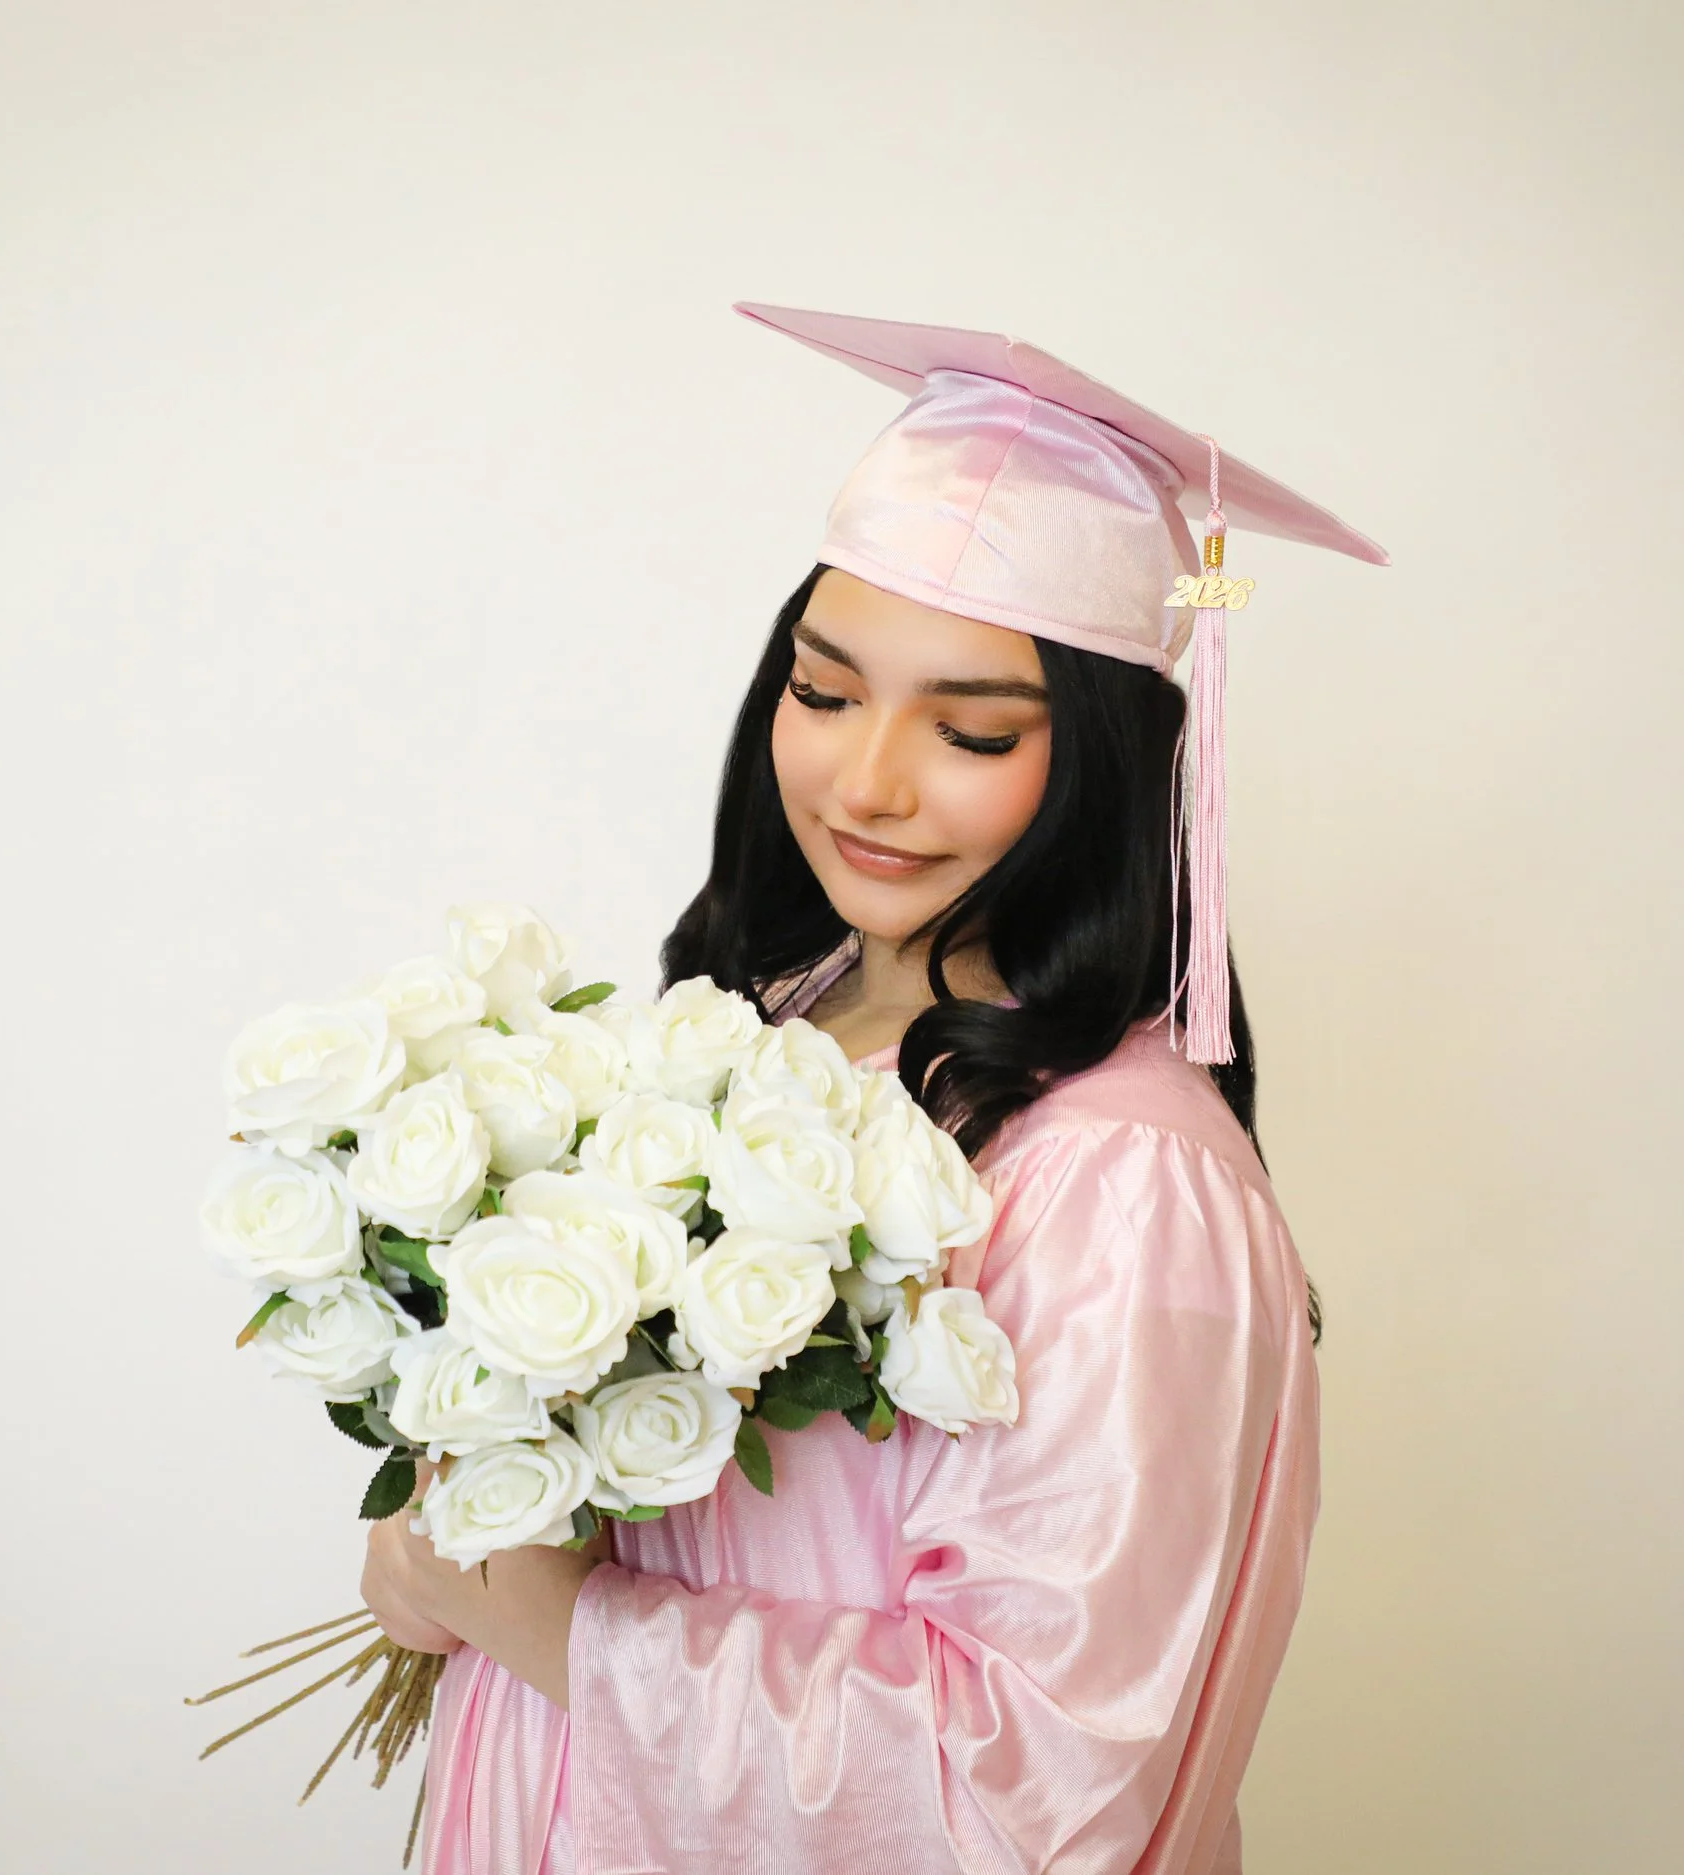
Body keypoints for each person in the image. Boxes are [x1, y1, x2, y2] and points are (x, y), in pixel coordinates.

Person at [357, 302, 1387, 1872]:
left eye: (972, 728)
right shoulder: (768, 1023)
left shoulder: (1122, 1180)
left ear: (1103, 763)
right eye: (826, 692)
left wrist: (544, 1617)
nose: (866, 781)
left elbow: (1031, 1789)